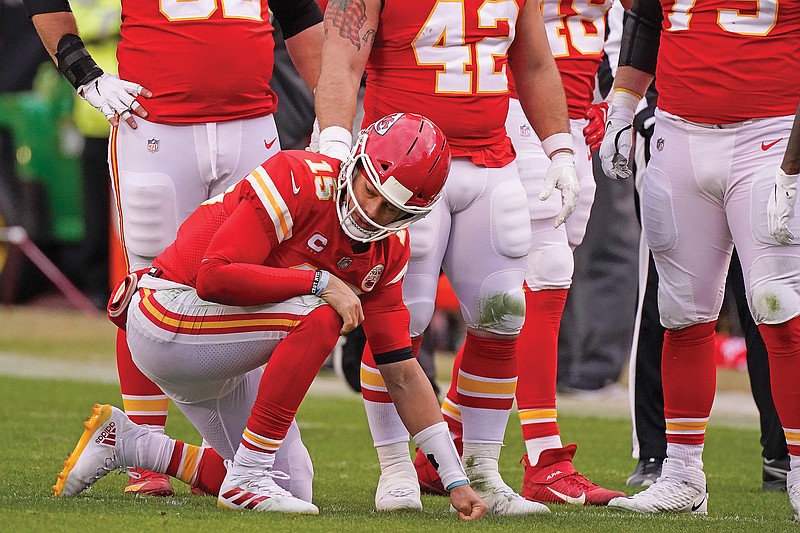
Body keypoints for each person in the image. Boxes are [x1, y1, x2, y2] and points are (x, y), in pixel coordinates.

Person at [53, 113, 487, 519]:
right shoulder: (298, 179)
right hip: (168, 312)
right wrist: (318, 282)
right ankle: (247, 475)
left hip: (223, 350)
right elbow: (214, 277)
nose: (370, 212)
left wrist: (455, 480)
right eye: (370, 190)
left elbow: (402, 372)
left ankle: (131, 445)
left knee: (292, 486)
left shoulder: (388, 251)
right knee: (321, 312)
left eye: (391, 209)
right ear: (355, 163)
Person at [22, 0, 325, 495]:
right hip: (155, 125)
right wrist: (84, 72)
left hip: (252, 125)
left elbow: (299, 16)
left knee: (257, 284)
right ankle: (149, 453)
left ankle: (177, 448)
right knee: (146, 288)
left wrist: (331, 116)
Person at [315, 0, 579, 515]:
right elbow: (342, 56)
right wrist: (333, 143)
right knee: (400, 323)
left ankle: (483, 469)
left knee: (502, 315)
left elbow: (534, 62)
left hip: (491, 159)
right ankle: (395, 469)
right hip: (402, 169)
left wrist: (560, 147)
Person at [410, 0, 628, 507]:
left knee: (514, 298)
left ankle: (440, 447)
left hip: (571, 118)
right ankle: (544, 460)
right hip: (518, 108)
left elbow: (624, 24)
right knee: (547, 273)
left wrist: (610, 101)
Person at [600, 0, 800, 517]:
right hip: (679, 132)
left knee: (779, 306)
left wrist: (794, 163)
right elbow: (646, 17)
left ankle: (798, 468)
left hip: (772, 133)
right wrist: (623, 105)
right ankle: (683, 473)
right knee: (681, 311)